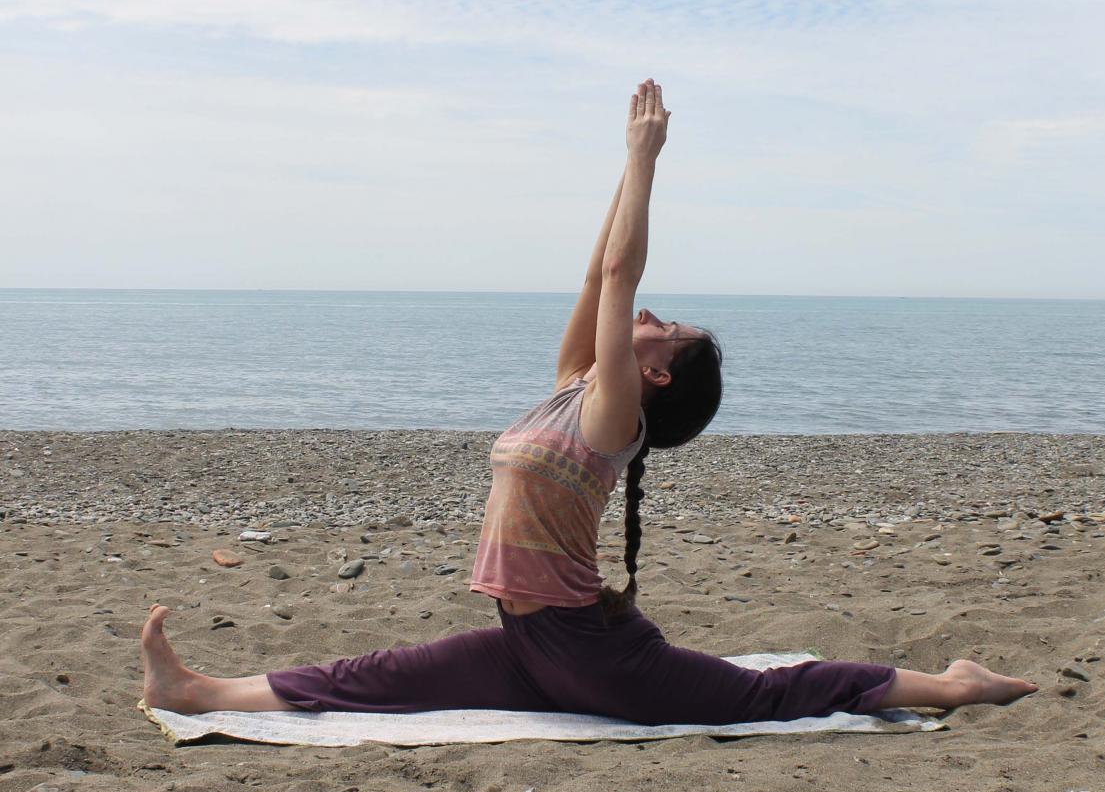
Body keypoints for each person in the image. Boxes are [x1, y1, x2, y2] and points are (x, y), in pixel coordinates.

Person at [141, 78, 1038, 722]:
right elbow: (596, 266)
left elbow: (620, 271)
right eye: (652, 313)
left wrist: (645, 157)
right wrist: (623, 171)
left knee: (775, 690)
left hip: (593, 656)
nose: (648, 314)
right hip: (527, 640)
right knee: (375, 674)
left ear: (653, 377)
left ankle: (960, 684)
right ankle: (196, 691)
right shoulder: (576, 388)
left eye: (665, 328)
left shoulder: (615, 422)